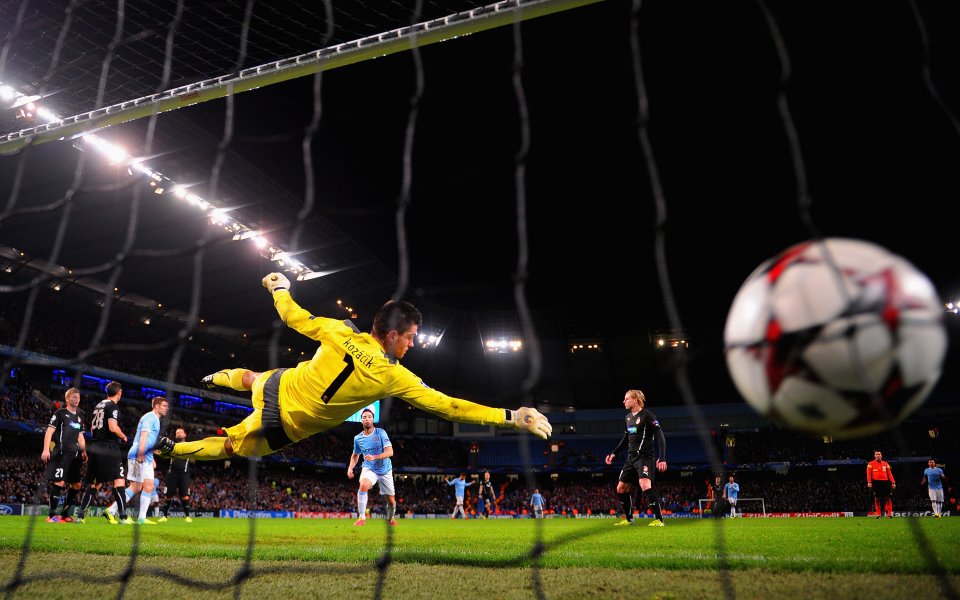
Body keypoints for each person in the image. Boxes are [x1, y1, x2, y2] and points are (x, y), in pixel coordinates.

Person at [155, 273, 552, 462]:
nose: (412, 344)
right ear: (393, 335)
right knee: (231, 447)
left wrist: (279, 288)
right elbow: (448, 407)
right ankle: (172, 449)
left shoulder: (339, 329)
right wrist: (512, 416)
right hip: (291, 422)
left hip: (281, 385)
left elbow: (295, 317)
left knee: (254, 378)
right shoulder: (392, 375)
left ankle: (213, 378)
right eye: (410, 336)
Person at [604, 389, 667, 527]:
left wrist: (662, 458)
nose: (624, 401)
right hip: (630, 458)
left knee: (645, 485)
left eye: (627, 398)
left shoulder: (648, 416)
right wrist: (614, 452)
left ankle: (659, 519)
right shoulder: (627, 417)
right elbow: (626, 437)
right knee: (620, 488)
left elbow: (660, 435)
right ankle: (629, 519)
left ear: (636, 400)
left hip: (645, 457)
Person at [106, 396, 168, 525]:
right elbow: (143, 436)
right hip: (138, 455)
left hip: (147, 456)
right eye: (164, 406)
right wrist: (141, 454)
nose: (166, 408)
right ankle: (111, 511)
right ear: (156, 406)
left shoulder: (156, 419)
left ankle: (141, 518)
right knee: (135, 487)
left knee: (148, 486)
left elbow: (149, 441)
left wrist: (152, 456)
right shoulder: (149, 417)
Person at [76, 381, 131, 524]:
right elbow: (112, 427)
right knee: (119, 480)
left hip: (95, 445)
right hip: (109, 446)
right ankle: (124, 517)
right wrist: (123, 436)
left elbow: (93, 429)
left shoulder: (99, 405)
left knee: (96, 483)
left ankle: (81, 515)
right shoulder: (113, 406)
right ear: (119, 393)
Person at [40, 387, 88, 523]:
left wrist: (84, 451)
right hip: (62, 453)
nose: (77, 399)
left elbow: (80, 436)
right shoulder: (60, 413)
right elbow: (49, 431)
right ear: (67, 399)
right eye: (74, 397)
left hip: (76, 455)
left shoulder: (80, 416)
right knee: (59, 482)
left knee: (76, 485)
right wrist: (45, 449)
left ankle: (65, 514)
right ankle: (51, 516)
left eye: (78, 397)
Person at [347, 407, 397, 526]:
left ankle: (391, 518)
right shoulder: (358, 438)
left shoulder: (381, 433)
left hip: (385, 470)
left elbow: (390, 452)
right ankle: (361, 517)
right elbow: (355, 455)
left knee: (391, 501)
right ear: (361, 421)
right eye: (364, 417)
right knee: (363, 485)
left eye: (369, 417)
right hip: (369, 468)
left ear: (373, 419)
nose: (367, 419)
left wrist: (375, 457)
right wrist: (350, 468)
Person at [159, 427, 193, 523]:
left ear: (185, 434)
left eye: (180, 432)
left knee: (185, 496)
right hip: (171, 473)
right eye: (177, 432)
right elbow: (163, 456)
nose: (178, 434)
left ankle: (187, 516)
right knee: (168, 496)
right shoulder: (171, 446)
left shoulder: (189, 446)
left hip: (184, 473)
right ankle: (165, 516)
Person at [866, 450, 896, 519]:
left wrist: (893, 482)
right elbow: (868, 473)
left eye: (879, 454)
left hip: (885, 482)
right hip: (876, 483)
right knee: (877, 499)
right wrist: (869, 482)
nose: (878, 455)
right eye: (876, 454)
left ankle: (889, 515)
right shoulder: (870, 463)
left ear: (881, 455)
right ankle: (879, 515)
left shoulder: (885, 464)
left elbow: (889, 474)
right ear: (874, 456)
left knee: (888, 498)